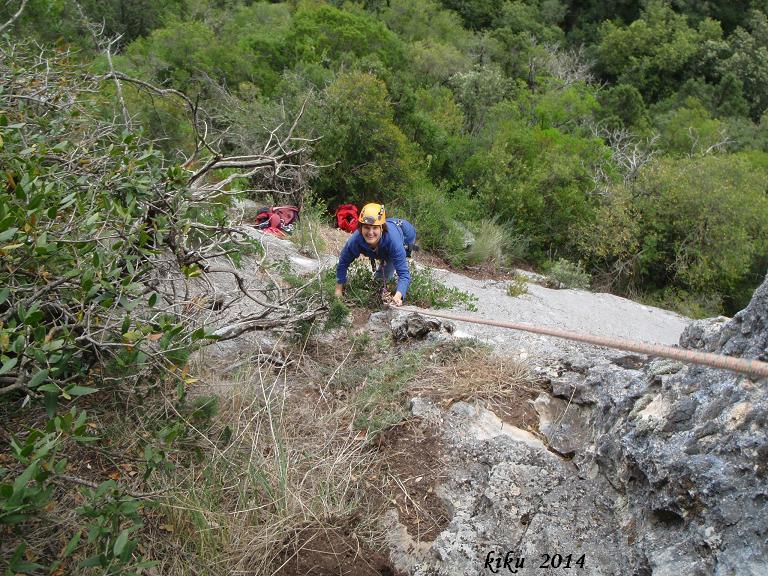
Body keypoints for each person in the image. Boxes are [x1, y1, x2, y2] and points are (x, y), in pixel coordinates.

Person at [335, 203, 417, 307]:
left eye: (375, 228)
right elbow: (343, 263)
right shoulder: (356, 240)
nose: (370, 232)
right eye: (366, 227)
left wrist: (398, 295)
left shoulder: (393, 242)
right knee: (379, 280)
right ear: (360, 228)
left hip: (405, 232)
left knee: (387, 269)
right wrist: (338, 290)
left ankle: (384, 275)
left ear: (381, 228)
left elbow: (404, 274)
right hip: (387, 233)